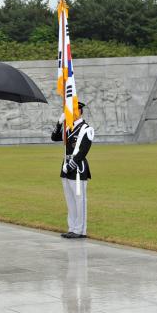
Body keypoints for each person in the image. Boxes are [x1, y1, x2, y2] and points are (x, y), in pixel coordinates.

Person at [51, 102, 94, 239]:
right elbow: (54, 138)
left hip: (77, 169)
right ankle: (72, 228)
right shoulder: (68, 128)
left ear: (79, 111)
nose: (70, 113)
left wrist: (70, 165)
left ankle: (80, 230)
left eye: (73, 111)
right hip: (66, 168)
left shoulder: (86, 129)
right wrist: (59, 123)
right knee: (70, 200)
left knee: (79, 200)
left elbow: (83, 151)